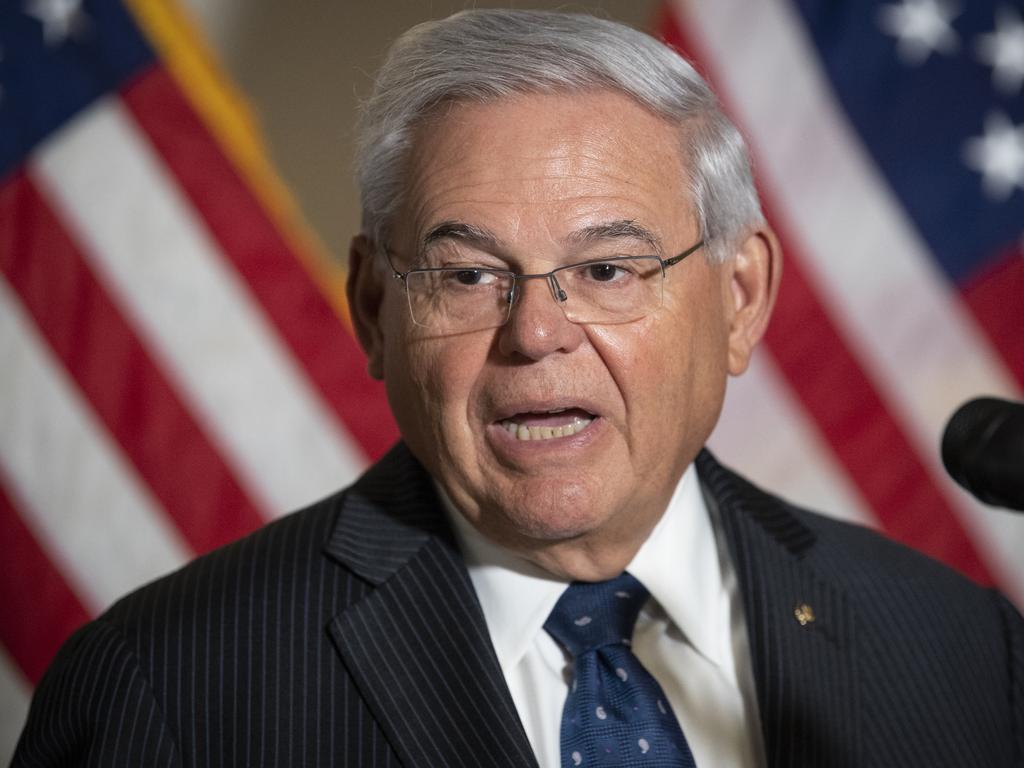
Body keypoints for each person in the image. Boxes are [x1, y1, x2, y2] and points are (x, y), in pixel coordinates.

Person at [14, 9, 1024, 768]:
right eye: (467, 276)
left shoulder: (957, 651)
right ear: (374, 308)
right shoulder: (166, 694)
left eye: (608, 270)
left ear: (741, 296)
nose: (535, 333)